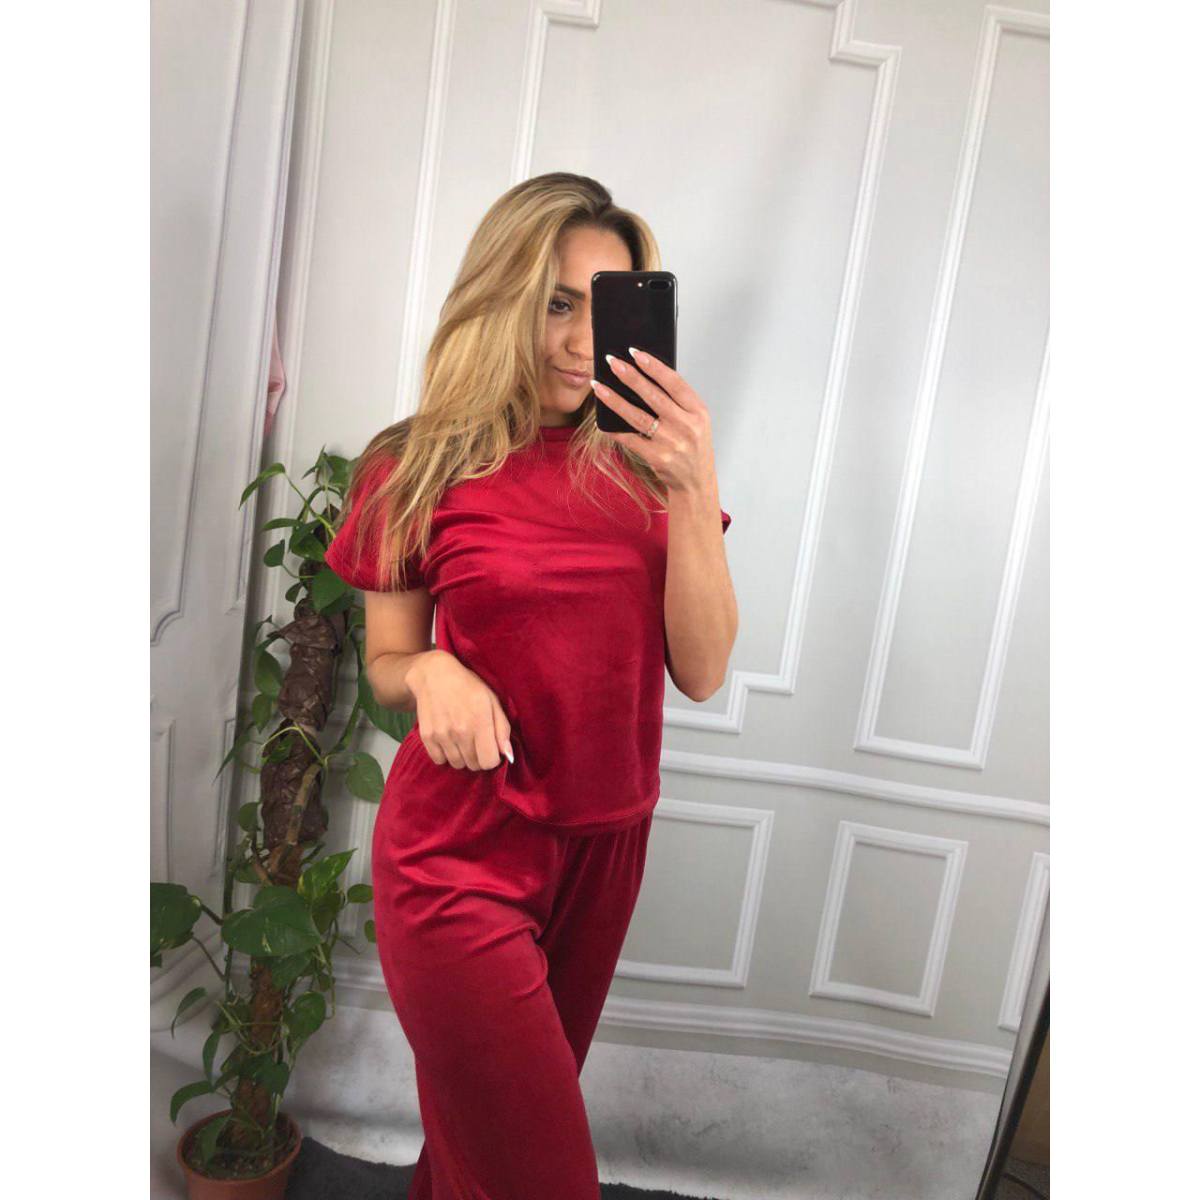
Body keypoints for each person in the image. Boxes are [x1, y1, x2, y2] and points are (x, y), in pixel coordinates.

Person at [324, 172, 737, 1200]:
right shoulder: (415, 465)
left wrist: (694, 486)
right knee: (542, 1177)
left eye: (604, 309)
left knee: (482, 1152)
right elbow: (386, 663)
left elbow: (702, 670)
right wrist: (431, 669)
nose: (578, 341)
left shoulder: (650, 470)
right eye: (555, 303)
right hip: (456, 852)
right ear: (500, 297)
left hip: (606, 849)